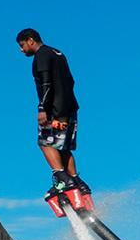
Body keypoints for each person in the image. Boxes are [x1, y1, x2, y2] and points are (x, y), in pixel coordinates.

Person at [16, 28, 92, 202]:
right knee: (62, 147)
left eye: (22, 45)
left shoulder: (41, 55)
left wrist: (43, 108)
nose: (21, 50)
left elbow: (46, 83)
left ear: (30, 40)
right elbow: (71, 81)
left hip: (54, 111)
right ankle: (77, 182)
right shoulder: (58, 53)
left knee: (45, 143)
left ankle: (62, 179)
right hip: (70, 109)